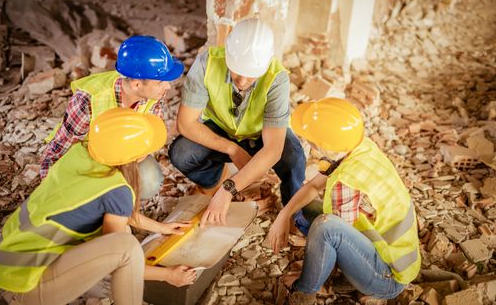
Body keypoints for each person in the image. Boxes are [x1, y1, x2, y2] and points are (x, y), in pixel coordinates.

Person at [0, 108, 196, 305]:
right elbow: (122, 256)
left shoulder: (81, 152)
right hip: (25, 290)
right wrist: (168, 275)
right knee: (127, 246)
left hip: (9, 263)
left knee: (121, 230)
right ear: (136, 158)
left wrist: (162, 228)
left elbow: (117, 209)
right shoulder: (118, 190)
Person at [267, 98, 421, 305]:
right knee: (310, 210)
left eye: (312, 143)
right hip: (386, 254)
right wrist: (283, 216)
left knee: (325, 227)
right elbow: (313, 187)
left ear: (328, 147)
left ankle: (304, 293)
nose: (309, 145)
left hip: (387, 277)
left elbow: (334, 235)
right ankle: (348, 276)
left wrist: (310, 276)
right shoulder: (358, 147)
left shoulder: (347, 181)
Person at [168, 18, 306, 227]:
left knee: (294, 159)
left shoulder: (277, 77)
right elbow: (186, 124)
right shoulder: (207, 63)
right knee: (182, 153)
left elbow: (273, 149)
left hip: (261, 134)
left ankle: (293, 214)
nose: (242, 81)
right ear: (228, 54)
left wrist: (229, 189)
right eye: (237, 71)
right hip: (221, 129)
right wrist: (232, 149)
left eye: (251, 76)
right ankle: (214, 180)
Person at [40, 35, 184, 198]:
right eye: (161, 82)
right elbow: (60, 149)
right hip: (87, 159)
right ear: (136, 84)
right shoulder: (87, 101)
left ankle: (120, 206)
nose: (168, 86)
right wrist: (50, 188)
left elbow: (148, 132)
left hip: (120, 153)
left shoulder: (154, 94)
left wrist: (140, 152)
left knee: (149, 181)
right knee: (89, 197)